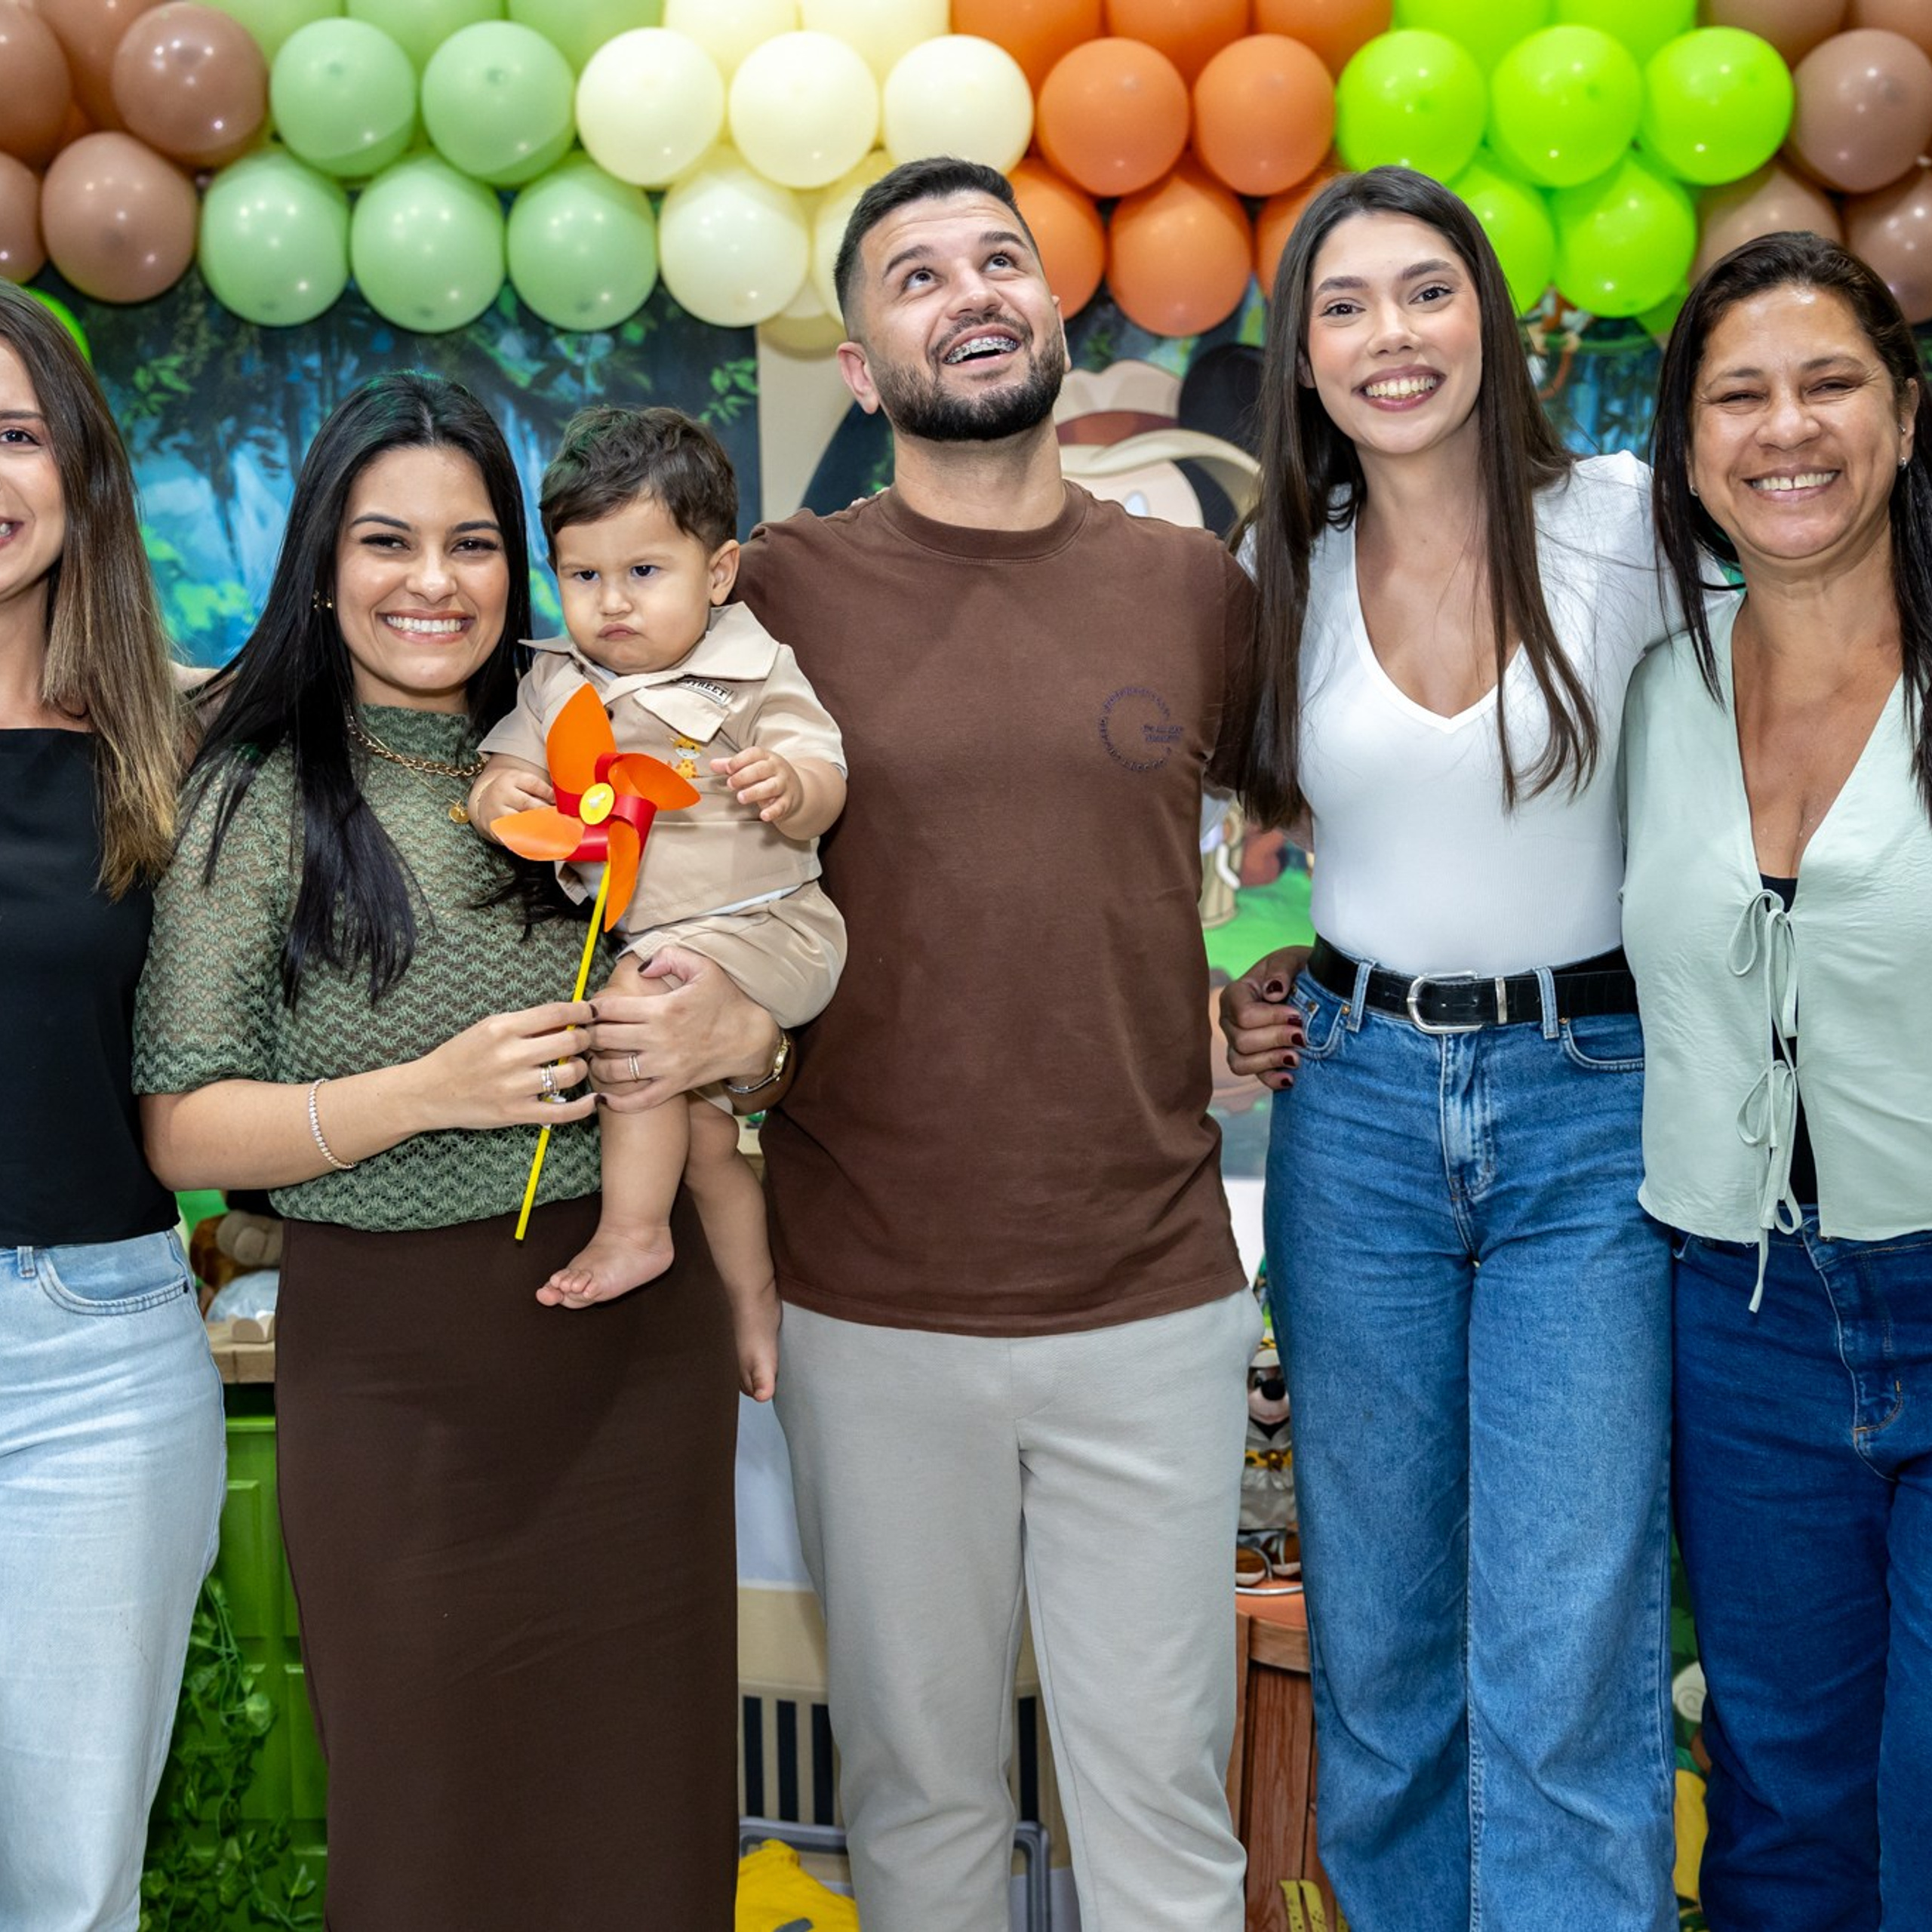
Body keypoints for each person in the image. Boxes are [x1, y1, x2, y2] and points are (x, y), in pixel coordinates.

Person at [679, 152, 1261, 1932]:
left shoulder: (1192, 589)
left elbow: (1300, 837)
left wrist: (1254, 997)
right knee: (915, 1800)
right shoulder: (769, 591)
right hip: (870, 1300)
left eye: (997, 259)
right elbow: (668, 854)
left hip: (1152, 1294)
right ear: (861, 370)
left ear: (1055, 314)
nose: (971, 291)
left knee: (1156, 1803)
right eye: (915, 277)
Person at [131, 373, 739, 1929]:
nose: (432, 582)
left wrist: (741, 1033)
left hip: (628, 1346)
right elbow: (186, 1115)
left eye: (472, 543)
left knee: (641, 1819)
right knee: (426, 1831)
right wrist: (429, 1088)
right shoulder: (259, 791)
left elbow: (742, 958)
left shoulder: (586, 745)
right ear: (322, 563)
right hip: (395, 1372)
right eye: (385, 540)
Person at [1217, 167, 1677, 1931]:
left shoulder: (1624, 521)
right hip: (1352, 1108)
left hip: (1590, 1109)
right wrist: (1216, 994)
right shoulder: (1274, 569)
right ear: (1301, 355)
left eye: (1424, 291)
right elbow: (1197, 846)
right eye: (1343, 305)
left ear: (1485, 313)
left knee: (1566, 1637)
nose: (1388, 335)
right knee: (1384, 1643)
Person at [1625, 230, 1932, 1932]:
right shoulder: (1653, 685)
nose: (1783, 428)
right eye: (1735, 394)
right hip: (1736, 1321)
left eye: (1826, 382)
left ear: (1898, 411)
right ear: (1685, 449)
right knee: (1778, 1817)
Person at [469, 405, 846, 1398]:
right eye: (583, 576)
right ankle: (754, 1302)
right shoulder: (558, 681)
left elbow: (826, 769)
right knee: (708, 1143)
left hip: (773, 924)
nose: (611, 604)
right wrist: (501, 795)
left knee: (632, 1014)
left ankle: (634, 1235)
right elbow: (504, 769)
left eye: (644, 573)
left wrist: (792, 785)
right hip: (663, 929)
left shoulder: (752, 670)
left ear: (716, 574)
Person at [0, 278, 226, 1932]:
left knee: (71, 1885)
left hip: (95, 1355)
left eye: (13, 433)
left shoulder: (172, 746)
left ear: (76, 474)